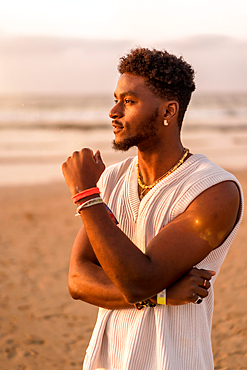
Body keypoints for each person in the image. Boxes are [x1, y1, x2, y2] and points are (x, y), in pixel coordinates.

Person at [62, 48, 244, 370]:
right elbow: (77, 280)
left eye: (129, 101)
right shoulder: (114, 178)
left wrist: (87, 196)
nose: (113, 111)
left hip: (173, 358)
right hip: (107, 358)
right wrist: (162, 295)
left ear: (168, 110)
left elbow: (138, 281)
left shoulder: (215, 190)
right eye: (116, 99)